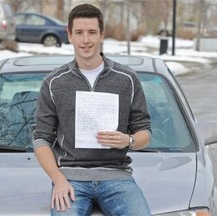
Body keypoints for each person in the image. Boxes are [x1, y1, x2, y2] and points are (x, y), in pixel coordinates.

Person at [33, 3, 152, 216]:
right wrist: (58, 180)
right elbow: (41, 139)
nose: (85, 40)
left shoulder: (127, 79)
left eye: (92, 32)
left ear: (102, 35)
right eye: (79, 32)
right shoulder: (54, 82)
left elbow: (145, 132)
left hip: (117, 177)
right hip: (70, 178)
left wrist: (129, 140)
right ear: (69, 35)